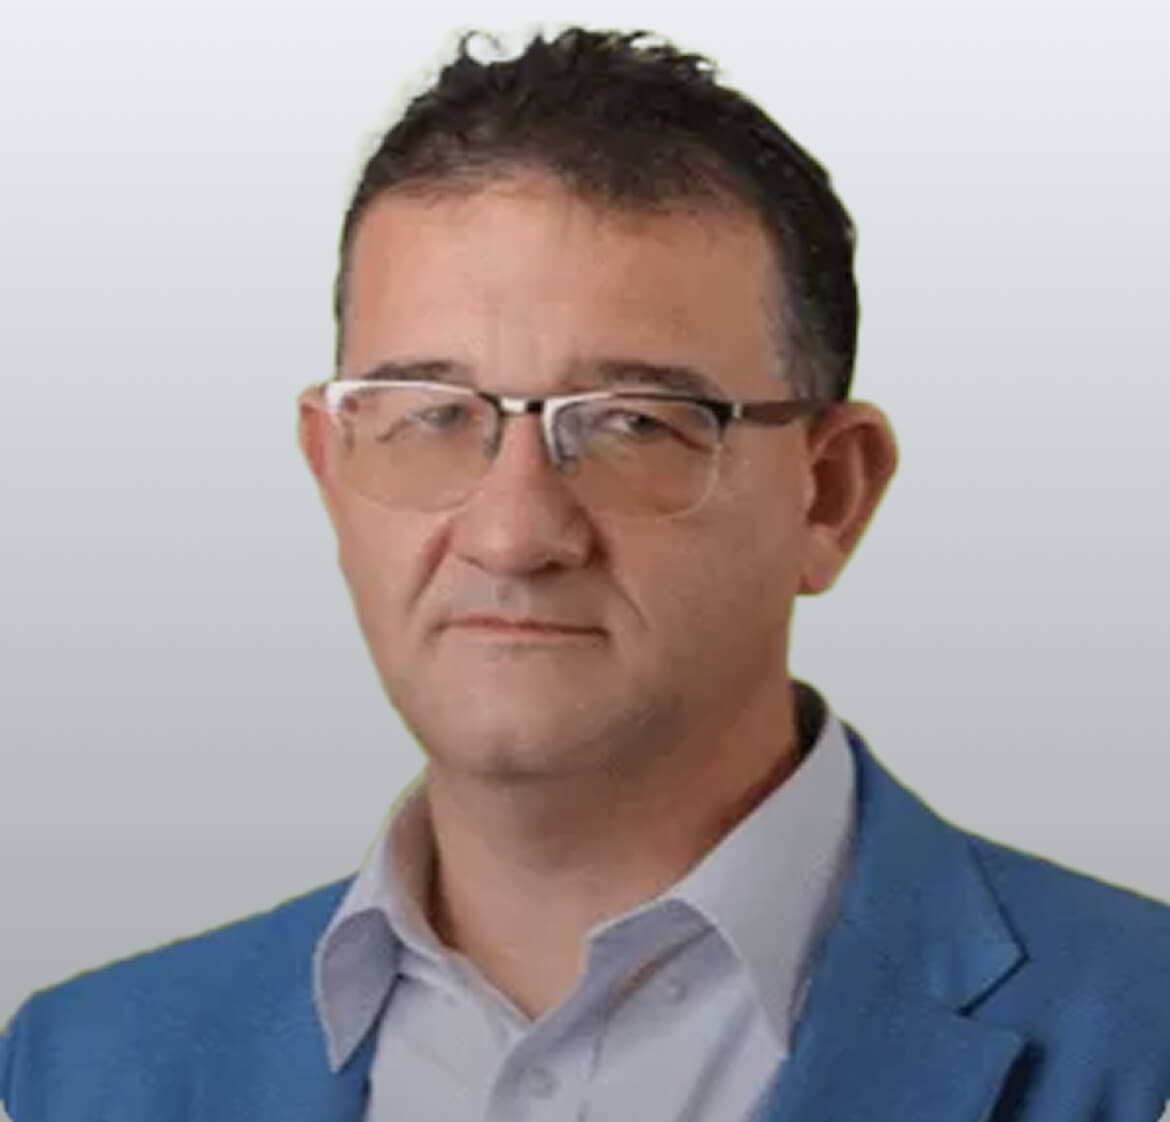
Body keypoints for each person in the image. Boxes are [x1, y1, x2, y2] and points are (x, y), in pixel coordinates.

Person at [2, 25, 1168, 1122]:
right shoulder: (74, 1070)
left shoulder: (1138, 1031)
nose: (514, 534)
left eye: (633, 424)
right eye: (432, 415)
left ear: (830, 495)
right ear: (331, 467)